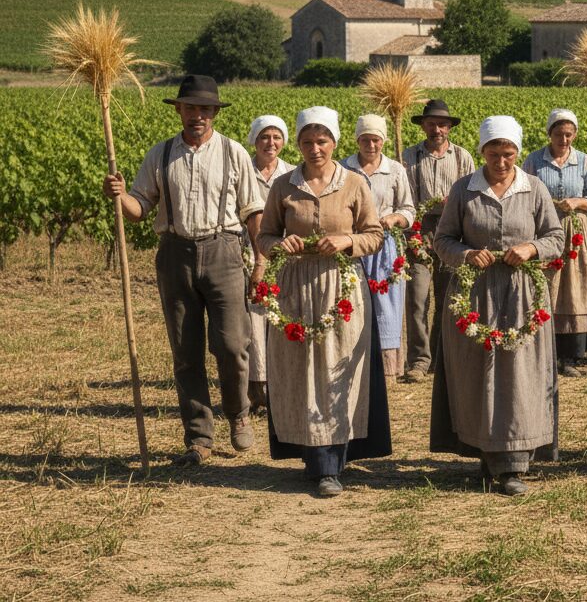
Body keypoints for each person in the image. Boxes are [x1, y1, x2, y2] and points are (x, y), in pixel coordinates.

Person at [102, 75, 263, 466]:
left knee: (232, 345)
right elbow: (140, 209)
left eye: (205, 109)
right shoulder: (160, 155)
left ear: (214, 113)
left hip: (224, 251)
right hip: (175, 254)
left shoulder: (234, 153)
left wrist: (261, 259)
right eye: (191, 108)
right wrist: (120, 196)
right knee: (185, 351)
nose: (198, 116)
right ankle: (198, 437)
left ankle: (238, 413)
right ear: (179, 110)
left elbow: (252, 211)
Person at [257, 107, 390, 497]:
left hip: (341, 287)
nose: (315, 149)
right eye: (307, 142)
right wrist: (280, 244)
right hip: (295, 287)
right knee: (301, 369)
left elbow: (375, 234)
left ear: (334, 143)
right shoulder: (283, 186)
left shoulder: (354, 184)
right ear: (297, 145)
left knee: (336, 369)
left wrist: (347, 241)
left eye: (322, 141)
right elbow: (264, 236)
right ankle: (312, 456)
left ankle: (331, 463)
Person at [430, 116, 565, 496]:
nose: (501, 162)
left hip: (523, 296)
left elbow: (555, 236)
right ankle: (484, 452)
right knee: (478, 373)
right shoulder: (464, 190)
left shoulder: (534, 188)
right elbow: (442, 240)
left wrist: (531, 248)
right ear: (482, 152)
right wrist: (467, 254)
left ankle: (513, 463)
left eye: (508, 154)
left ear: (517, 153)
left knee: (519, 375)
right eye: (494, 154)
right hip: (475, 295)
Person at [522, 109, 587, 377]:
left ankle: (571, 355)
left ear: (575, 135)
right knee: (547, 284)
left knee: (574, 288)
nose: (564, 140)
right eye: (558, 134)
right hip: (544, 230)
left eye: (568, 134)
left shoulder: (584, 161)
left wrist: (577, 202)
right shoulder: (534, 161)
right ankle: (545, 351)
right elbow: (524, 193)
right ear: (550, 134)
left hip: (575, 231)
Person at [401, 99, 474, 383]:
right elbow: (405, 198)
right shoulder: (409, 157)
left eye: (442, 124)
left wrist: (453, 205)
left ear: (449, 127)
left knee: (448, 298)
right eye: (431, 124)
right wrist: (412, 234)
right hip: (418, 231)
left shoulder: (462, 157)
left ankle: (441, 355)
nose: (437, 130)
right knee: (417, 298)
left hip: (451, 232)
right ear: (423, 126)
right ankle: (418, 360)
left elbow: (470, 197)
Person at [342, 114, 415, 380]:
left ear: (383, 141)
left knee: (387, 304)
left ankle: (387, 368)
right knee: (353, 300)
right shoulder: (344, 168)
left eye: (376, 140)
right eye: (365, 140)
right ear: (357, 140)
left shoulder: (395, 170)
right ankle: (353, 364)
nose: (371, 145)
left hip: (385, 247)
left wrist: (395, 218)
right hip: (353, 244)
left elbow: (408, 209)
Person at [243, 114, 295, 414]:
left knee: (279, 320)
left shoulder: (291, 174)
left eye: (276, 137)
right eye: (264, 137)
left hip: (283, 255)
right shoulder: (243, 170)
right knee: (253, 325)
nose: (270, 143)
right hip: (247, 254)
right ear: (255, 140)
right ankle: (257, 392)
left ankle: (281, 389)